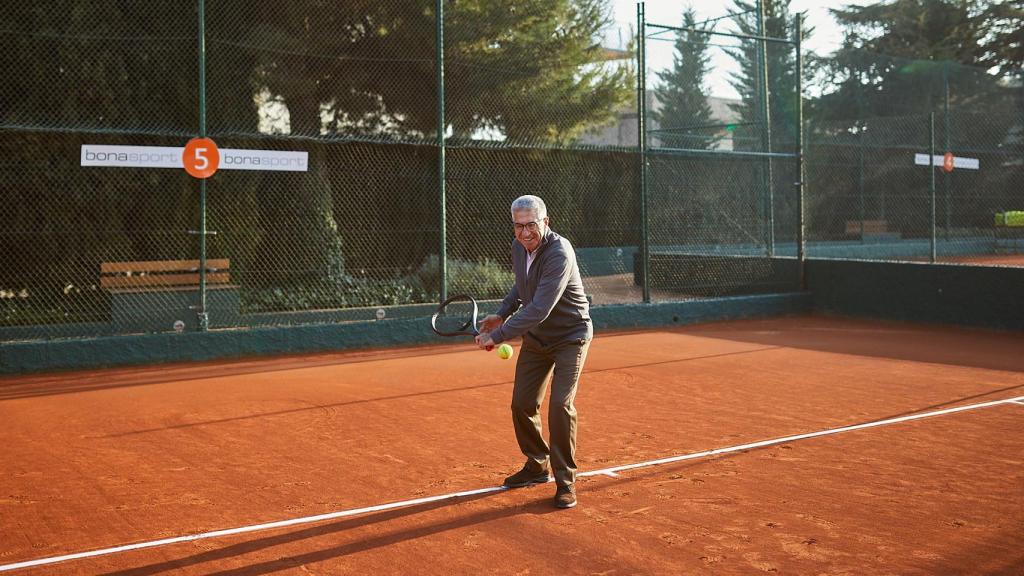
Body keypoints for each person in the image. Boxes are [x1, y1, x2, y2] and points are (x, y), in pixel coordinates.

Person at [476, 195, 593, 509]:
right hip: (537, 339)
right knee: (522, 404)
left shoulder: (559, 253)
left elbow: (540, 307)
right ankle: (536, 465)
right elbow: (522, 284)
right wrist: (502, 312)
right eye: (518, 226)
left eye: (531, 225)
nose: (525, 232)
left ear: (546, 222)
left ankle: (565, 481)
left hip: (570, 336)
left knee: (560, 405)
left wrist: (497, 336)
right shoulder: (519, 247)